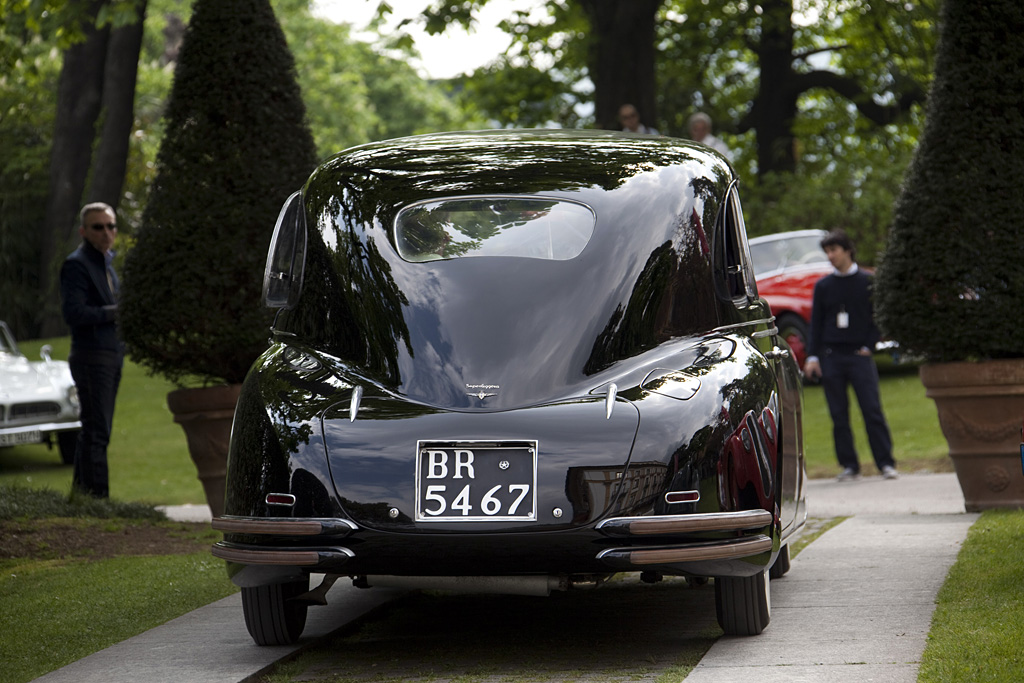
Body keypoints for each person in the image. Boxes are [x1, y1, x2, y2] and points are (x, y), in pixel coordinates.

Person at [803, 229, 897, 481]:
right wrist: (812, 357)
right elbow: (817, 324)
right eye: (827, 252)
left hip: (860, 356)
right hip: (832, 356)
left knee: (872, 410)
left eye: (834, 250)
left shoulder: (867, 282)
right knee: (838, 414)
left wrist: (869, 345)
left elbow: (878, 317)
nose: (830, 256)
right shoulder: (823, 286)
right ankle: (849, 465)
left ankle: (885, 463)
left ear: (847, 250)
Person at [60, 202, 124, 498]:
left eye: (111, 226)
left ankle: (82, 496)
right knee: (97, 431)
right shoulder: (77, 264)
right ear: (84, 231)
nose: (106, 232)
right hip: (91, 356)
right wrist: (116, 312)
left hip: (110, 355)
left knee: (95, 430)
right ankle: (99, 500)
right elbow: (74, 313)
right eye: (99, 227)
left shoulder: (106, 264)